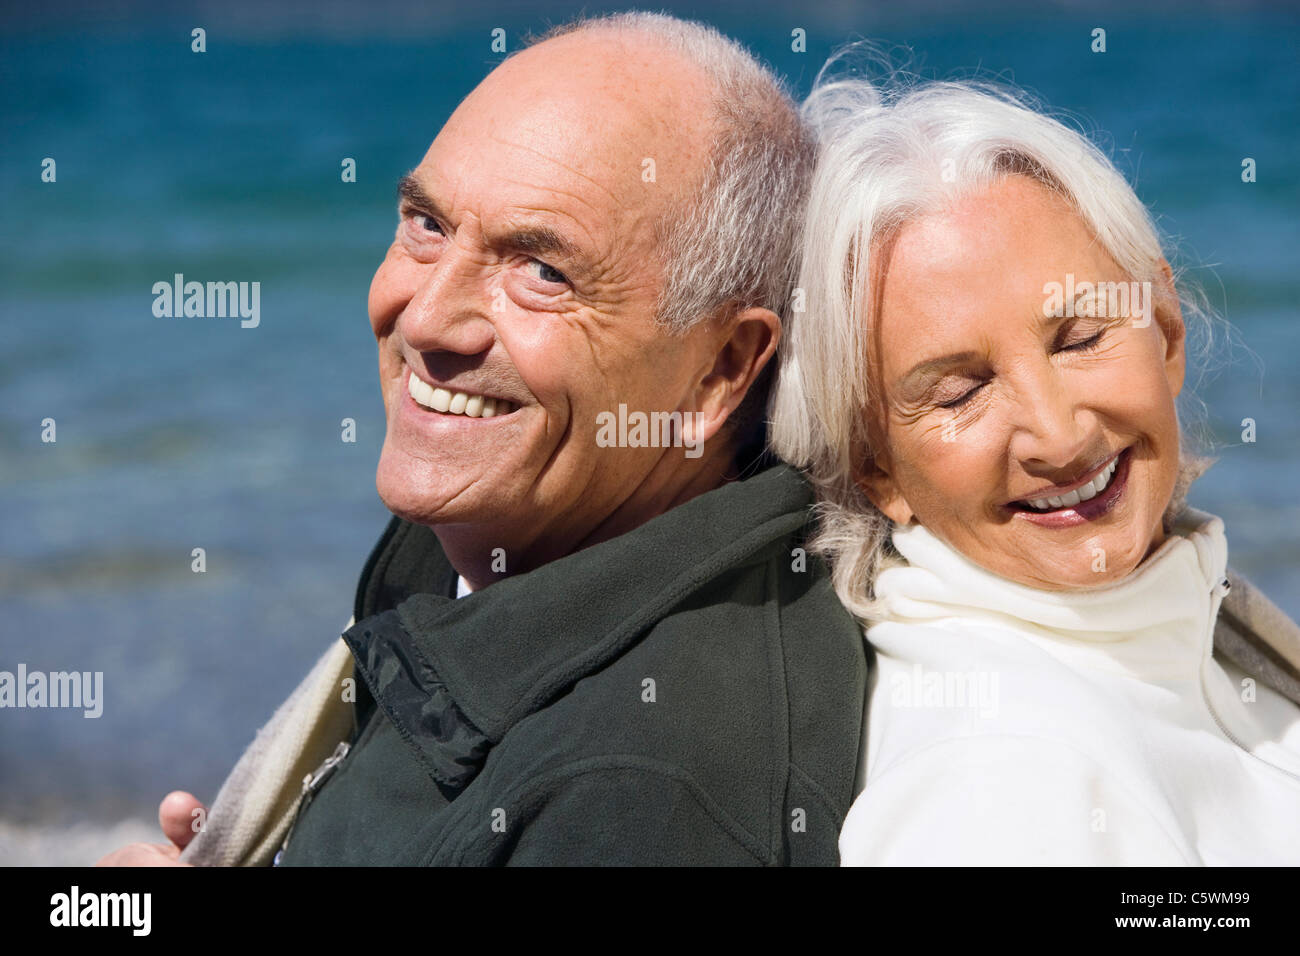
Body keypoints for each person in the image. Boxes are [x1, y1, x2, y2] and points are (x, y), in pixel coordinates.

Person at [97, 12, 866, 867]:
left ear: (722, 368)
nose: (425, 318)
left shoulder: (638, 798)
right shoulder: (499, 532)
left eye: (541, 272)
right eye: (426, 225)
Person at [769, 66, 1300, 865]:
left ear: (1166, 329)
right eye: (959, 392)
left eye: (1082, 338)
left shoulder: (1191, 626)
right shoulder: (1001, 784)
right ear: (874, 470)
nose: (1056, 435)